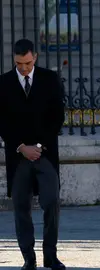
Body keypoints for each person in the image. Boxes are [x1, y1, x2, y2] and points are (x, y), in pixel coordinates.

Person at [0, 39, 65, 270]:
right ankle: (28, 257)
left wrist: (37, 146)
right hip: (18, 157)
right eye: (19, 64)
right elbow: (2, 121)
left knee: (51, 201)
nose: (24, 68)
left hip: (44, 153)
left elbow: (57, 116)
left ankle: (51, 255)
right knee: (21, 207)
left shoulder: (49, 79)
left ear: (34, 57)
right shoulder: (4, 83)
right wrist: (21, 147)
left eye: (27, 63)